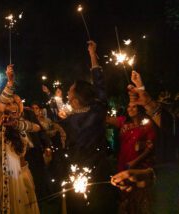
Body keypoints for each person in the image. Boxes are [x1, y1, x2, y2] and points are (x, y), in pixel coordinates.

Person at [111, 71, 179, 213]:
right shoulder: (166, 123)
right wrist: (146, 100)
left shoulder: (147, 126)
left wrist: (150, 174)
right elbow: (171, 128)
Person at [61, 41, 117, 213]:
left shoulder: (70, 120)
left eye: (69, 94)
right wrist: (93, 55)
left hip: (80, 173)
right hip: (99, 171)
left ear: (76, 99)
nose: (67, 95)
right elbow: (100, 85)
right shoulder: (98, 110)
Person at [0, 64, 40, 214]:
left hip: (24, 174)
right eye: (8, 107)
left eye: (15, 106)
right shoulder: (0, 125)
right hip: (8, 179)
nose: (11, 109)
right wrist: (10, 83)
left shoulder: (22, 125)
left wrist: (19, 124)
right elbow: (2, 104)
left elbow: (37, 128)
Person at [107, 102, 156, 213]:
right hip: (123, 162)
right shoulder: (124, 122)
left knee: (138, 197)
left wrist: (134, 161)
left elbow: (150, 147)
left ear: (140, 108)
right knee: (124, 193)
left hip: (138, 166)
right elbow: (106, 119)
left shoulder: (147, 125)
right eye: (128, 106)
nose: (130, 108)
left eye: (134, 106)